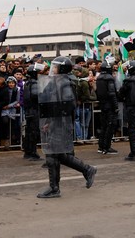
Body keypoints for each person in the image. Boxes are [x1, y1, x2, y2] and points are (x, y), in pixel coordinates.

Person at [36, 56, 96, 199]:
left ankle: (54, 188)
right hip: (55, 122)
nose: (53, 69)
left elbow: (68, 105)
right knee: (59, 155)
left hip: (61, 124)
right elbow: (51, 102)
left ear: (62, 68)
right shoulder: (56, 81)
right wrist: (49, 120)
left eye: (55, 66)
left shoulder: (65, 83)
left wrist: (53, 121)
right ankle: (87, 169)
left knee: (52, 155)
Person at [118, 60, 135, 161]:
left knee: (132, 130)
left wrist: (123, 98)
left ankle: (134, 153)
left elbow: (120, 94)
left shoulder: (128, 81)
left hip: (131, 107)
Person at [95, 55, 119, 155]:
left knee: (104, 126)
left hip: (102, 105)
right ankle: (106, 147)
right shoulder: (109, 78)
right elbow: (112, 93)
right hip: (110, 106)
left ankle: (101, 146)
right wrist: (116, 106)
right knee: (110, 126)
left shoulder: (99, 78)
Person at [21, 63, 43, 161]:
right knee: (34, 132)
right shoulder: (34, 83)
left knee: (29, 132)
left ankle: (28, 152)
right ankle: (32, 153)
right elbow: (35, 95)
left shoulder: (27, 83)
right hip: (34, 110)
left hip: (29, 111)